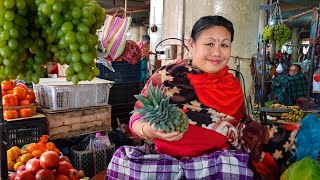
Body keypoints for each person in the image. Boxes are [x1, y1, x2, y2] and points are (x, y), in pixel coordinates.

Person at [106, 16, 278, 180]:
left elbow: (239, 126)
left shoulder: (232, 85)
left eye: (224, 45)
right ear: (192, 44)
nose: (217, 52)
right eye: (209, 43)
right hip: (166, 166)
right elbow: (136, 118)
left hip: (219, 167)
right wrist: (150, 130)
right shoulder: (167, 76)